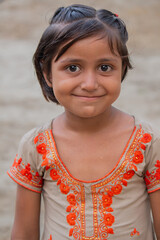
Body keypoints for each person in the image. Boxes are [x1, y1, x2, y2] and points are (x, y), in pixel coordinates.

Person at [7, 4, 160, 240]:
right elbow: (24, 233)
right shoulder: (36, 146)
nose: (90, 83)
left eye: (105, 67)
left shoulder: (148, 143)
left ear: (122, 70)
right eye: (73, 67)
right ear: (48, 73)